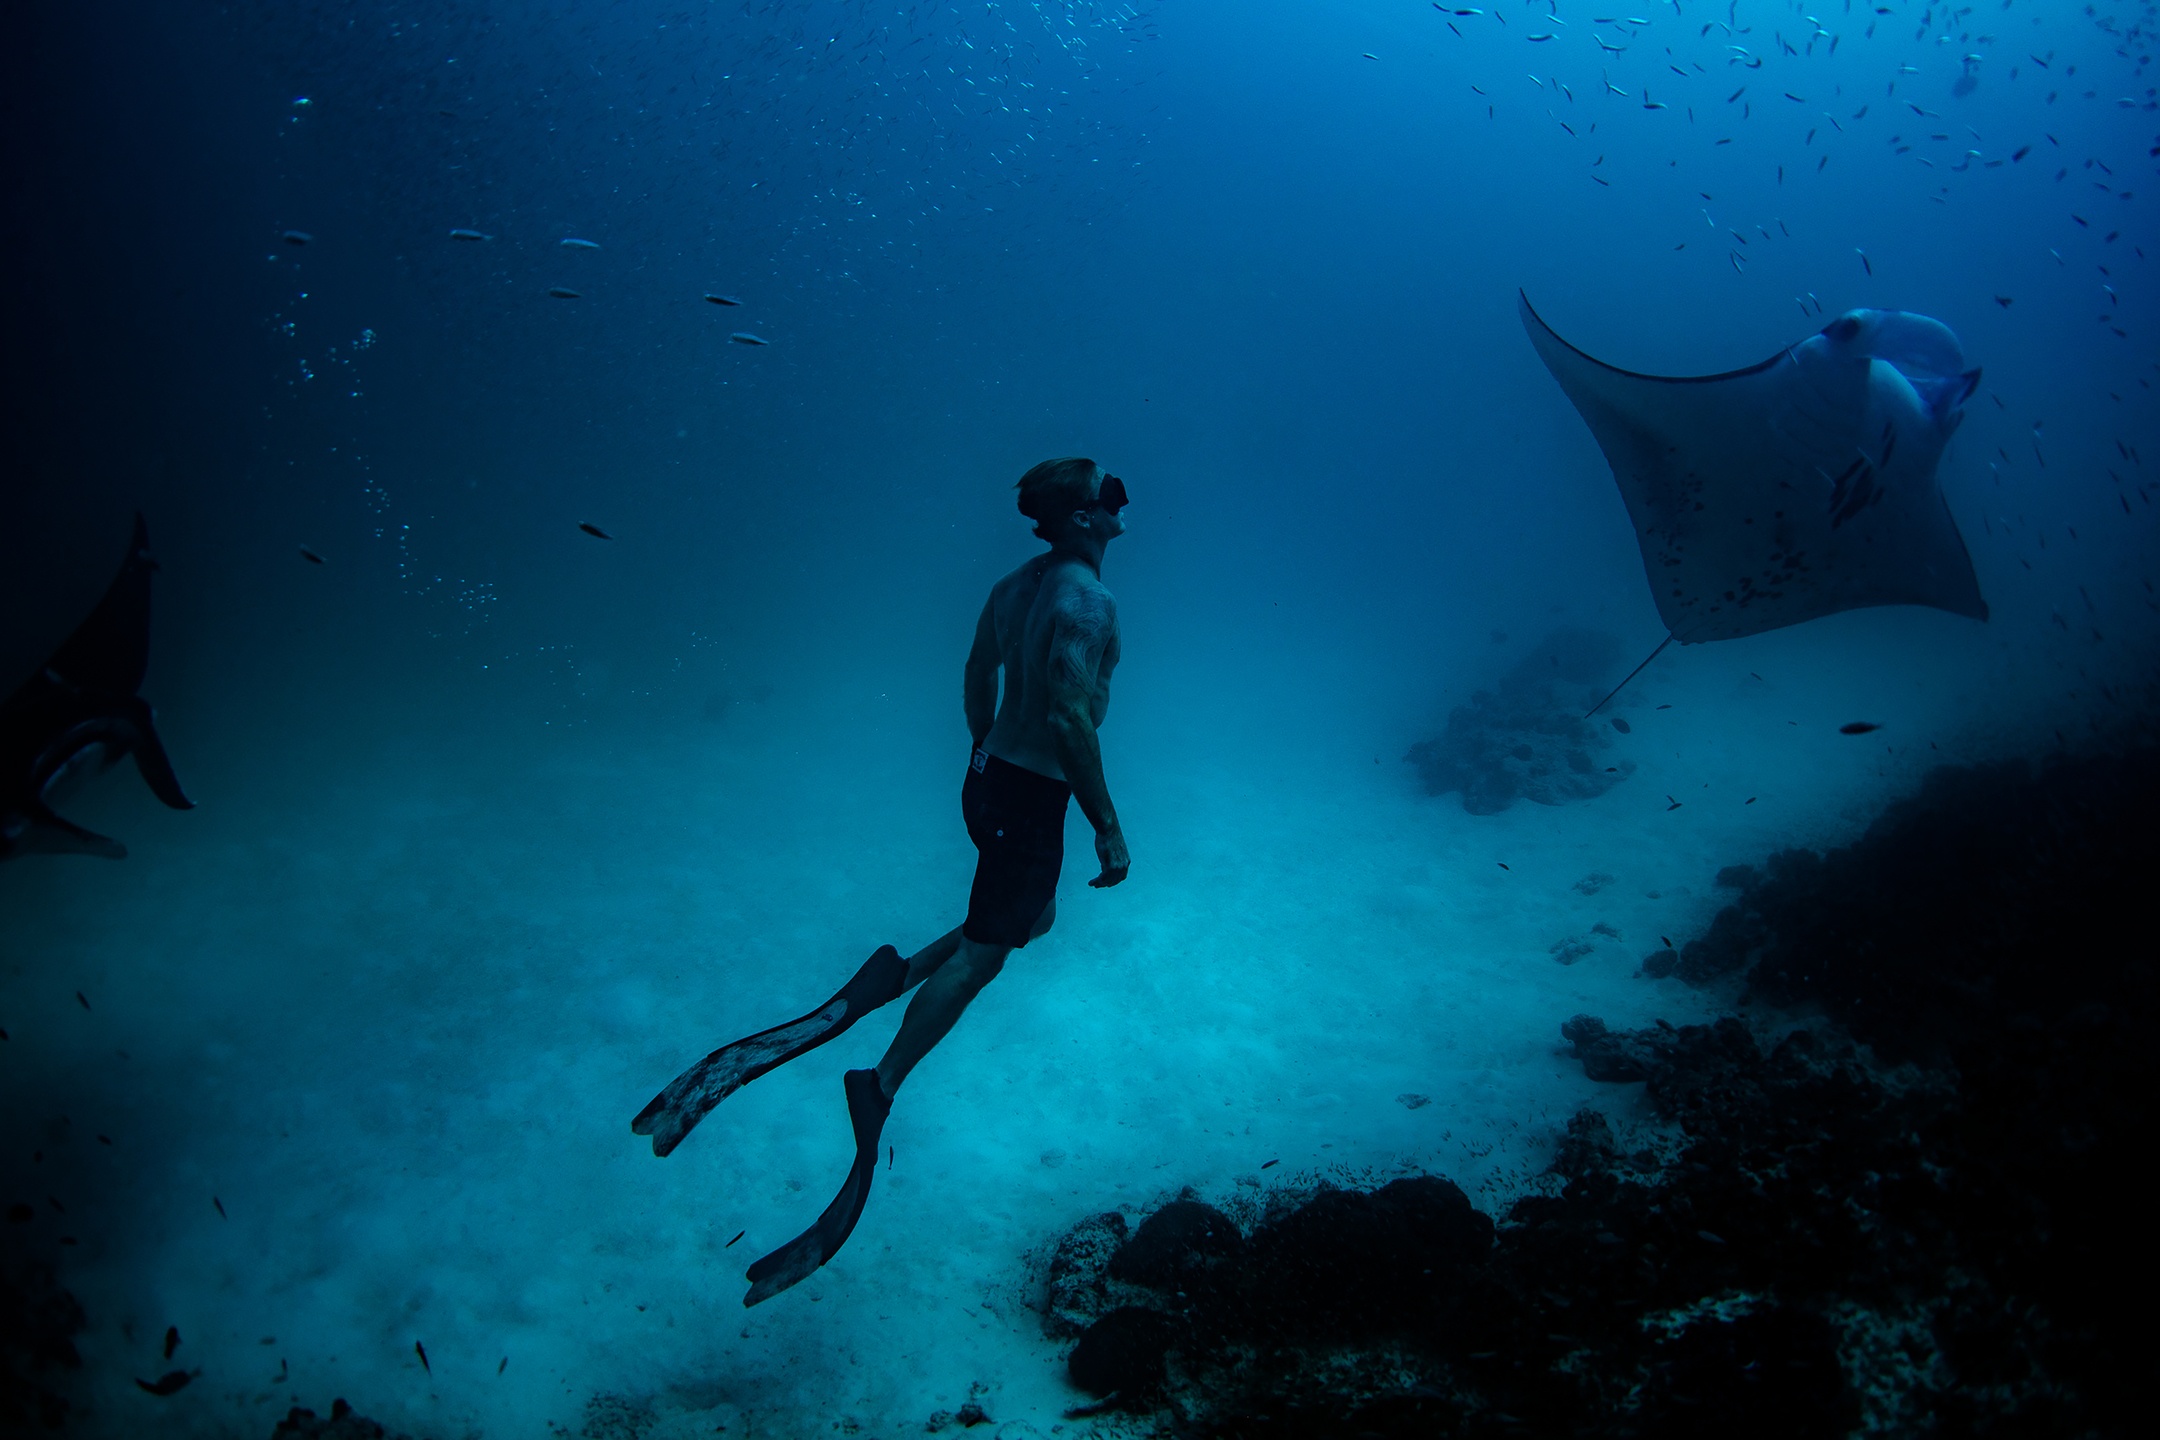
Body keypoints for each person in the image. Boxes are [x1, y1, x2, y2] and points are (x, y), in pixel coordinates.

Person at [631, 456, 1130, 1306]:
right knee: (987, 957)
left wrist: (982, 754)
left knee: (1027, 919)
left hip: (988, 784)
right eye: (1108, 497)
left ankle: (893, 980)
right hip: (1034, 796)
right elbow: (1069, 716)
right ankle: (881, 1080)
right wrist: (1108, 829)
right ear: (1080, 519)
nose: (1120, 506)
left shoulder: (1015, 586)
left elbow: (980, 674)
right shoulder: (1087, 601)